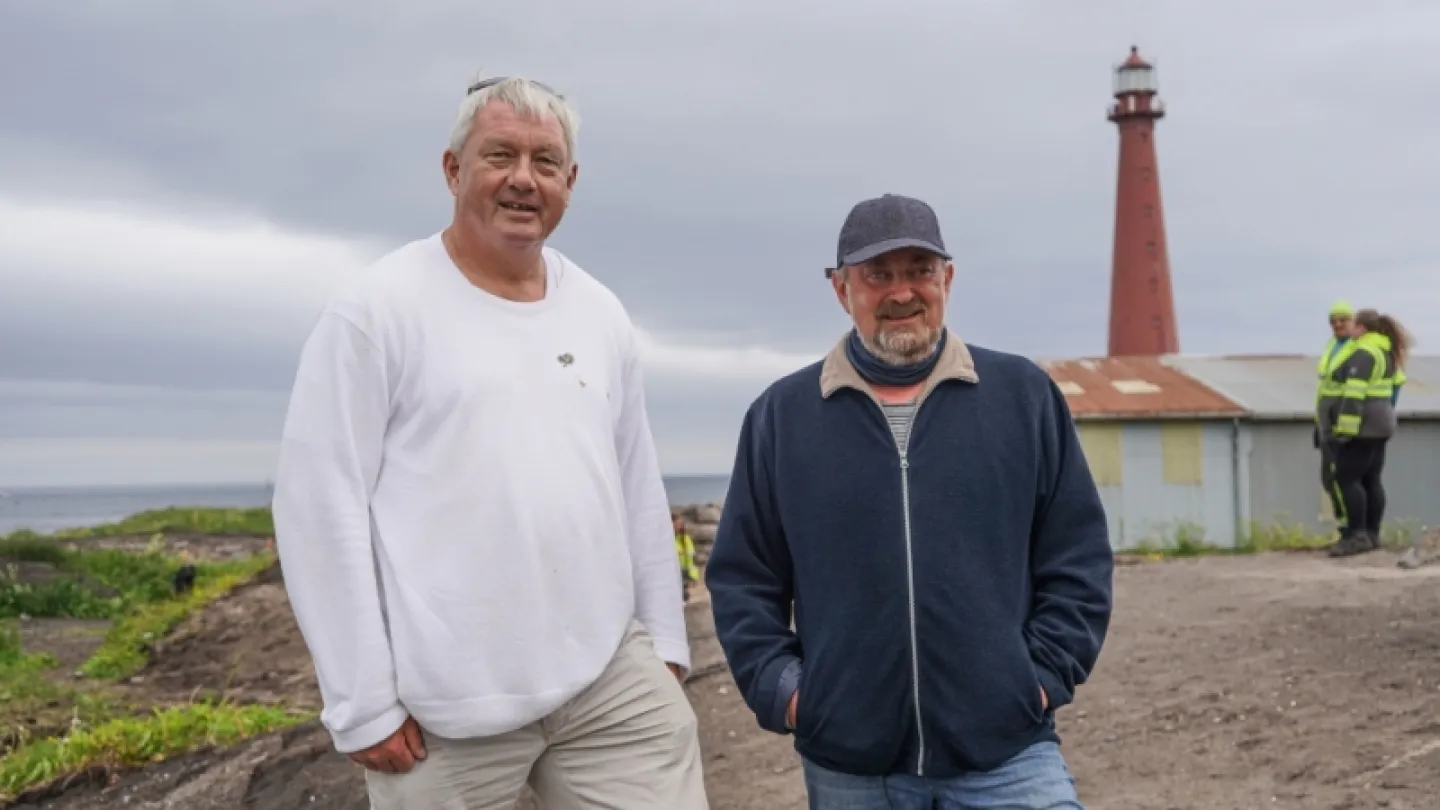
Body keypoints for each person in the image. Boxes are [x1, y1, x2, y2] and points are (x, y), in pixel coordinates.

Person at [270, 73, 708, 809]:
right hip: (444, 706)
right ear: (453, 169)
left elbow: (635, 481)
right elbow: (319, 503)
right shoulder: (377, 312)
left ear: (570, 181)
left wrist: (664, 642)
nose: (523, 181)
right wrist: (361, 702)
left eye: (545, 163)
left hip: (606, 680)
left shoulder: (598, 311)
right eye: (499, 155)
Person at [705, 193, 1115, 809]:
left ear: (946, 278)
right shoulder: (782, 418)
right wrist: (790, 692)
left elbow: (1077, 555)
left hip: (1006, 752)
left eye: (919, 270)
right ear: (841, 289)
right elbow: (743, 579)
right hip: (851, 768)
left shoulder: (1022, 397)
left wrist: (1038, 678)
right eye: (878, 275)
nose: (902, 293)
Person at [1324, 308, 1410, 558]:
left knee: (1347, 478)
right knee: (1371, 478)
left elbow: (1354, 394)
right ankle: (1372, 534)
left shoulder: (1364, 353)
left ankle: (1357, 535)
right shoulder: (1386, 352)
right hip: (1383, 421)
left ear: (1361, 327)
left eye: (1353, 325)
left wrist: (1345, 430)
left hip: (1365, 424)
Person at [1314, 300, 1355, 543]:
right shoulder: (1332, 346)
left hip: (1343, 421)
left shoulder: (1357, 348)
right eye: (1333, 321)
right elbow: (1324, 388)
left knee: (1344, 477)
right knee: (1328, 478)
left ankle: (1352, 529)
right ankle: (1343, 527)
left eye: (1343, 319)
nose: (1337, 324)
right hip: (1325, 420)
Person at [674, 511, 701, 603]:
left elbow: (692, 560)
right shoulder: (667, 539)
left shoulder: (686, 538)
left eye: (681, 523)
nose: (680, 526)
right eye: (678, 523)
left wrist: (693, 577)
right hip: (675, 576)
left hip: (685, 575)